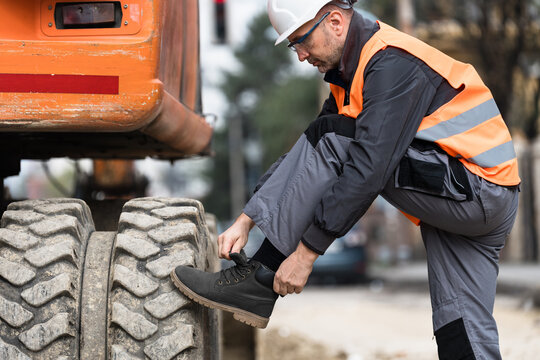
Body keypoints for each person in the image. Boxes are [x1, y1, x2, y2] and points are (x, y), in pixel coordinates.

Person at [171, 1, 520, 359]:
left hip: (476, 188)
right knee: (459, 328)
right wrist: (247, 219)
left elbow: (368, 168)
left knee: (338, 142)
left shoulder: (391, 62)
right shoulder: (349, 77)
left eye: (301, 41)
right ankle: (257, 281)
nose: (301, 56)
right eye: (294, 46)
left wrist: (306, 254)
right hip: (478, 197)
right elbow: (305, 154)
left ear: (335, 21)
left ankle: (260, 278)